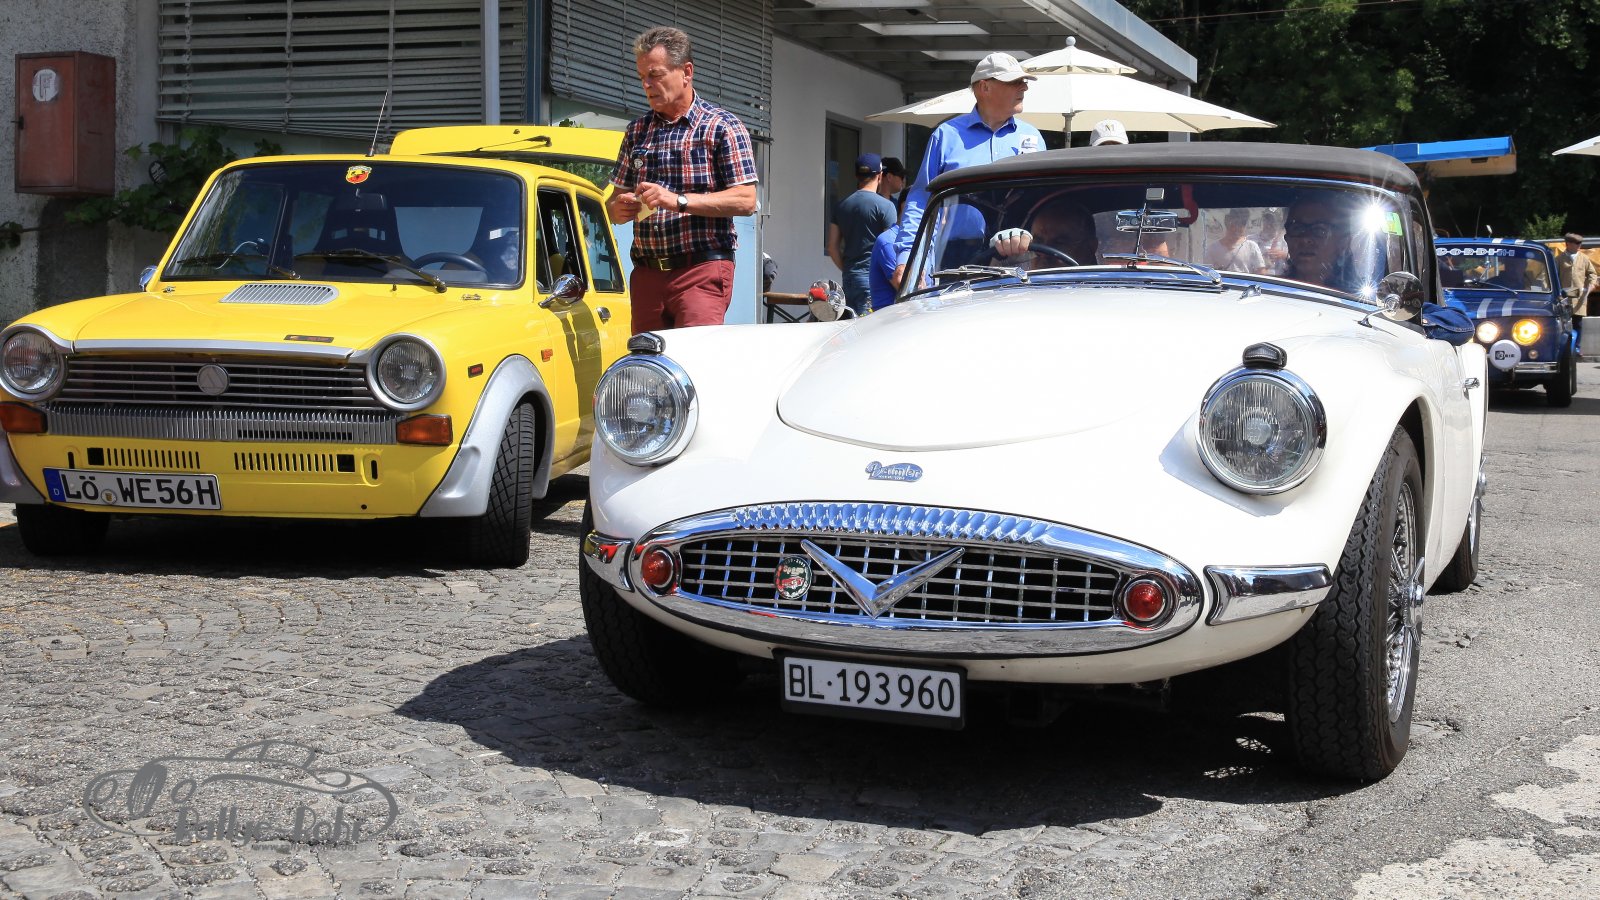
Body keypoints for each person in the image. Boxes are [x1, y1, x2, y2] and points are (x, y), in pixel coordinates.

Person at [606, 26, 758, 334]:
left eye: (656, 75)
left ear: (686, 72)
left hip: (700, 269)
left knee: (693, 358)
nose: (647, 85)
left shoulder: (722, 127)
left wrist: (677, 201)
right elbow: (612, 203)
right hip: (647, 274)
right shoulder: (636, 132)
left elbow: (746, 200)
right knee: (648, 361)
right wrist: (617, 209)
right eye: (642, 77)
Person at [893, 53, 1044, 286]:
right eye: (1014, 81)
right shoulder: (946, 136)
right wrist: (908, 259)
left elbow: (1044, 202)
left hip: (1021, 255)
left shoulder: (1033, 136)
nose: (1024, 87)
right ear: (984, 87)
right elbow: (921, 202)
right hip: (957, 259)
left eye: (1023, 81)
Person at [827, 154, 897, 314]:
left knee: (852, 326)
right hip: (874, 281)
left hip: (849, 279)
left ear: (856, 175)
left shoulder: (842, 205)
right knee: (871, 326)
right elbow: (889, 248)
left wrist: (849, 269)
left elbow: (831, 247)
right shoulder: (886, 206)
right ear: (880, 175)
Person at [988, 198, 1100, 270]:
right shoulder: (1017, 287)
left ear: (1090, 248)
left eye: (1059, 243)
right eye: (1038, 242)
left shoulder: (1105, 290)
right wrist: (1001, 255)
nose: (1045, 254)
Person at [1283, 197, 1355, 289]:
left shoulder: (1357, 296)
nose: (1305, 239)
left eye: (1320, 230)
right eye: (1297, 228)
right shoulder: (1270, 290)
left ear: (1343, 244)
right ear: (1287, 239)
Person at [1556, 233, 1595, 338]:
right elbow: (1553, 276)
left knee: (1578, 324)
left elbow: (1592, 274)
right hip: (1564, 299)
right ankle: (1565, 345)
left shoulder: (1584, 258)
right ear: (1568, 244)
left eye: (1580, 243)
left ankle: (1577, 346)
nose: (1579, 245)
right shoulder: (1559, 259)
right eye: (1577, 243)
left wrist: (1591, 285)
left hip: (1579, 298)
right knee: (1563, 325)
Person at [1205, 208, 1267, 274]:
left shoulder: (1252, 246)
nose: (1237, 227)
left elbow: (1261, 272)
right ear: (1227, 223)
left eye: (1242, 223)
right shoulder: (1213, 248)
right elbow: (1206, 272)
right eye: (1235, 223)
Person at [1251, 209, 1289, 276]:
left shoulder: (1285, 241)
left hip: (1278, 279)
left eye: (1272, 222)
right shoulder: (1251, 239)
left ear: (1278, 224)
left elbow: (1294, 264)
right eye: (1266, 221)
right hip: (1255, 278)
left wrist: (1284, 256)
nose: (1268, 225)